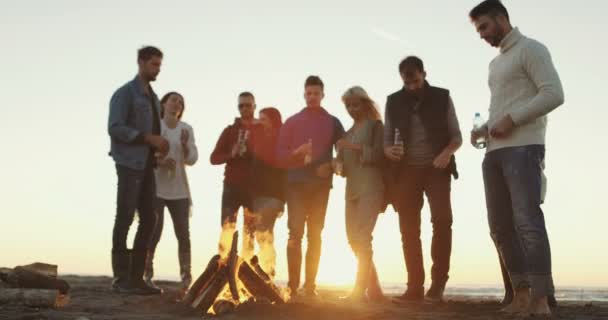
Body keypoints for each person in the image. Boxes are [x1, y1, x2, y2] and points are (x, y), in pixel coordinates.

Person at [469, 0, 564, 316]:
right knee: (499, 226)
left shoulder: (532, 49)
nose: (481, 34)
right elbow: (502, 106)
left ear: (500, 18)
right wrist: (483, 129)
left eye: (484, 26)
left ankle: (540, 300)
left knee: (527, 221)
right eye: (478, 29)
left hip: (524, 148)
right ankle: (520, 295)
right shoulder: (495, 65)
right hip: (493, 154)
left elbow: (553, 93)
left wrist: (513, 118)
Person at [384, 56, 462, 302]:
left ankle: (438, 284)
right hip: (405, 172)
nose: (413, 87)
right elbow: (386, 140)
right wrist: (389, 151)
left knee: (442, 220)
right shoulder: (393, 101)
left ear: (424, 74)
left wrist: (446, 153)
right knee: (408, 229)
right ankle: (414, 287)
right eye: (408, 84)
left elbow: (457, 137)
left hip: (437, 169)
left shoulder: (442, 97)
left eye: (416, 81)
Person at [277, 75, 344, 299]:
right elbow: (279, 153)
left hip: (321, 186)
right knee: (295, 233)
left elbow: (342, 148)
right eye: (309, 93)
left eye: (316, 93)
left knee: (315, 234)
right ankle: (293, 285)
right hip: (295, 184)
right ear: (304, 94)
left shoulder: (333, 122)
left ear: (323, 95)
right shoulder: (292, 121)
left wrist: (334, 163)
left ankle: (310, 285)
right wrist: (296, 152)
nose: (312, 97)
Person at [107, 46, 167, 295]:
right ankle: (121, 279)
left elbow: (155, 129)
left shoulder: (153, 97)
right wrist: (146, 138)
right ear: (141, 62)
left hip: (148, 166)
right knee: (124, 217)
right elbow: (115, 127)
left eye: (160, 66)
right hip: (129, 164)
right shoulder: (125, 94)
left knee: (150, 218)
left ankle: (137, 278)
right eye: (154, 64)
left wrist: (159, 145)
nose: (157, 70)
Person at [143, 92, 198, 299]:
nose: (177, 103)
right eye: (173, 100)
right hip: (156, 188)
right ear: (164, 104)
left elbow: (192, 159)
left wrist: (184, 146)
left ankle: (186, 278)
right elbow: (145, 154)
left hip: (179, 191)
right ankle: (146, 274)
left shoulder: (186, 129)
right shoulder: (155, 126)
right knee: (154, 231)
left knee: (183, 234)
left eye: (180, 102)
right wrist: (159, 161)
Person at [335, 86, 386, 302]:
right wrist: (336, 163)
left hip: (371, 188)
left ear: (365, 103)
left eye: (355, 104)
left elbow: (379, 155)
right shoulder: (346, 133)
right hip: (352, 191)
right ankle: (375, 290)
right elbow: (344, 168)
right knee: (353, 240)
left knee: (363, 239)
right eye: (348, 105)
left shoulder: (376, 126)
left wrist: (352, 147)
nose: (352, 109)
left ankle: (359, 290)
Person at [210, 92, 257, 260]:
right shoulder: (229, 131)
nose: (244, 108)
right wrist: (231, 153)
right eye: (241, 105)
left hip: (254, 186)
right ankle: (222, 267)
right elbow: (213, 158)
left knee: (250, 232)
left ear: (254, 107)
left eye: (248, 105)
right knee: (227, 228)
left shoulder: (261, 129)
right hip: (232, 185)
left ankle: (247, 270)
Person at [249, 107, 287, 278]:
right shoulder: (260, 138)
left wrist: (282, 200)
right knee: (261, 234)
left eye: (263, 119)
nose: (259, 121)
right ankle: (267, 272)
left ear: (272, 120)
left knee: (263, 234)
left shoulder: (281, 139)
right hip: (258, 195)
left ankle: (268, 273)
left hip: (273, 195)